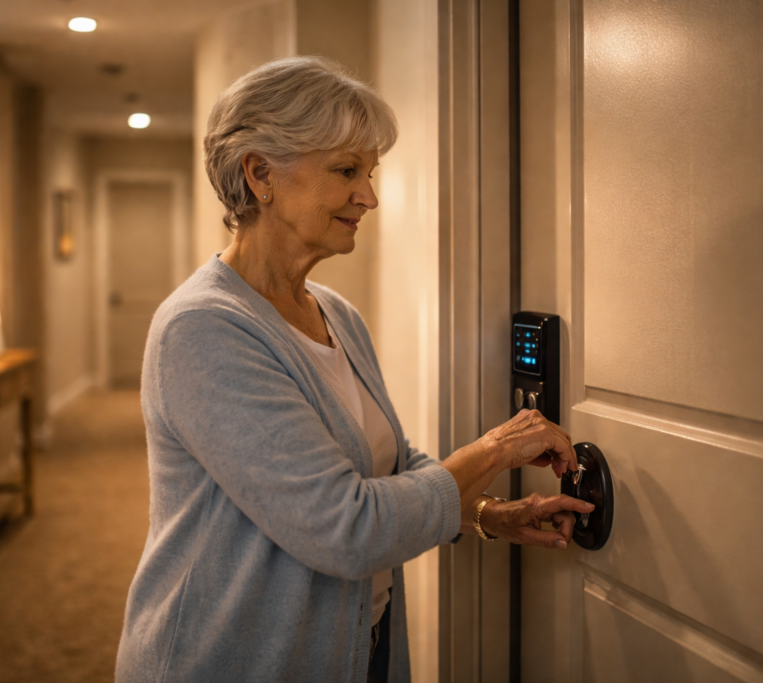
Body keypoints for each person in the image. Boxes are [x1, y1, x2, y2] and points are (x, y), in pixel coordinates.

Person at [115, 56, 594, 683]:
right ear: (259, 174)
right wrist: (494, 451)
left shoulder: (333, 311)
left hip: (355, 647)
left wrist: (486, 513)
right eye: (347, 171)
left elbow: (386, 464)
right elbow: (345, 527)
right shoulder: (203, 329)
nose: (369, 196)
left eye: (370, 172)